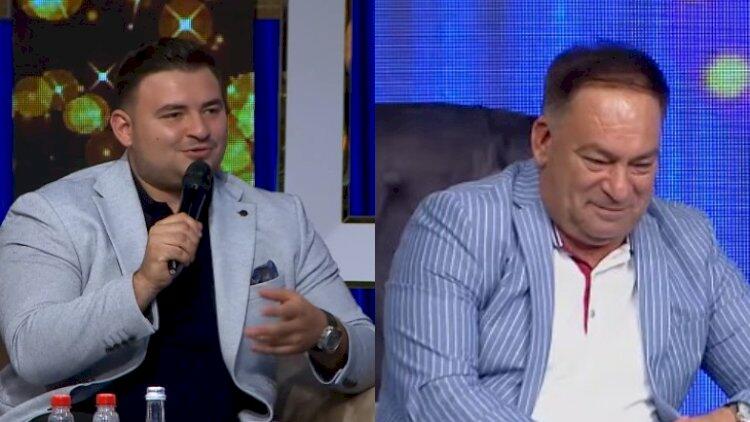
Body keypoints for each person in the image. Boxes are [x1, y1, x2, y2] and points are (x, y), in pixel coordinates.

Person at [0, 38, 374, 422]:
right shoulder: (52, 213)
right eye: (174, 115)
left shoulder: (280, 217)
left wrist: (324, 333)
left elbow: (370, 356)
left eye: (212, 110)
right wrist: (141, 285)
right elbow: (33, 354)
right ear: (124, 129)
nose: (200, 129)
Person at [378, 43, 750, 422]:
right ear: (543, 142)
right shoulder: (459, 223)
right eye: (598, 161)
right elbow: (436, 394)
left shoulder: (686, 238)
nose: (620, 189)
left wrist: (735, 417)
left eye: (641, 165)